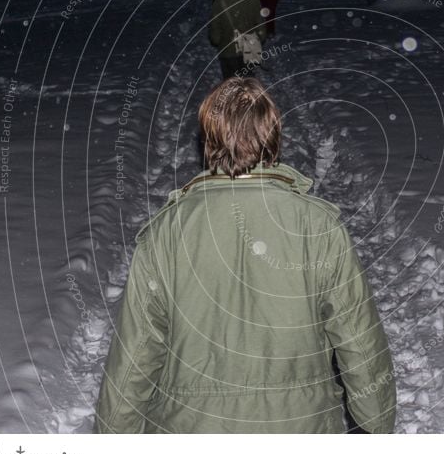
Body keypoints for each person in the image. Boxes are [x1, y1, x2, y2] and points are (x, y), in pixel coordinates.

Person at [94, 77, 397, 433]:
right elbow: (357, 338)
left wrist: (112, 434)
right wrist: (378, 421)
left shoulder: (167, 232)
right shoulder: (317, 227)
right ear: (273, 137)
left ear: (208, 140)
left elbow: (138, 349)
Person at [208, 0, 267, 80]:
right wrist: (260, 38)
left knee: (231, 84)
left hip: (228, 51)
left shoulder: (220, 1)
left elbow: (215, 34)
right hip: (249, 49)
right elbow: (261, 26)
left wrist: (217, 40)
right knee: (248, 83)